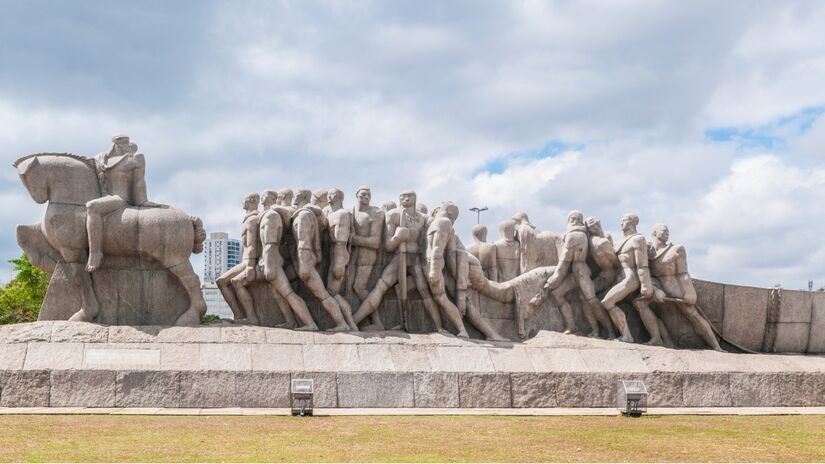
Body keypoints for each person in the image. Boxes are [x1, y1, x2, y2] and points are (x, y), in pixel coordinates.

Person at [351, 190, 444, 332]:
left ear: (415, 198)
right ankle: (354, 321)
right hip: (399, 257)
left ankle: (440, 327)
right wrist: (398, 237)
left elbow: (430, 237)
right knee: (380, 287)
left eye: (409, 196)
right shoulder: (393, 215)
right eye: (403, 197)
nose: (406, 199)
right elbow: (388, 246)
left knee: (424, 290)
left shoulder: (422, 218)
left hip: (416, 259)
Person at [426, 202, 506, 340]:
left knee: (455, 301)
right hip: (448, 267)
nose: (435, 210)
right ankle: (489, 334)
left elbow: (445, 252)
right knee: (461, 304)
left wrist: (460, 289)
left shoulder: (443, 223)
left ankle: (467, 330)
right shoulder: (436, 224)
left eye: (438, 208)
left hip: (456, 268)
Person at [635, 224, 723, 351]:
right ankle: (657, 338)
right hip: (658, 285)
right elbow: (645, 273)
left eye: (668, 231)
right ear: (654, 233)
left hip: (675, 287)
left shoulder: (676, 249)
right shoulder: (648, 252)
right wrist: (655, 289)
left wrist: (690, 293)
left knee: (692, 314)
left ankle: (716, 346)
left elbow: (683, 274)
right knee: (640, 304)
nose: (667, 233)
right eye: (664, 231)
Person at [529, 211, 613, 337]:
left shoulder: (574, 235)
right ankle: (572, 326)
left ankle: (610, 331)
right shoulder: (580, 234)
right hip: (575, 271)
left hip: (581, 271)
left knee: (591, 301)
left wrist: (555, 279)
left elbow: (565, 261)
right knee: (557, 294)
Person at [86, 134, 158, 272]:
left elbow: (139, 182)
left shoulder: (135, 159)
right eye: (122, 144)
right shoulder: (102, 158)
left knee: (92, 207)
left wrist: (142, 202)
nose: (125, 146)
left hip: (120, 199)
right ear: (115, 145)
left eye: (127, 143)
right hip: (105, 197)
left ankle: (95, 253)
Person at [258, 190, 318, 331]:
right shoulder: (275, 214)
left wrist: (268, 265)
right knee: (279, 293)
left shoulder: (272, 216)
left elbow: (271, 243)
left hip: (272, 260)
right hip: (272, 259)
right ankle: (290, 321)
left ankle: (311, 324)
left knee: (289, 294)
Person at [291, 200, 354, 331]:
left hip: (305, 264)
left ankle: (342, 324)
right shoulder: (308, 217)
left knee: (324, 295)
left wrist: (304, 265)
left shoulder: (304, 216)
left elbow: (304, 243)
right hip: (304, 262)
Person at [601, 213, 650, 342]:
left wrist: (645, 285)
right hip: (620, 278)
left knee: (607, 302)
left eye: (625, 220)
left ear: (633, 223)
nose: (621, 223)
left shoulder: (638, 239)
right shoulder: (619, 242)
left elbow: (642, 265)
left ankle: (627, 336)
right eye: (621, 220)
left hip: (630, 278)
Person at [216, 192, 261, 324]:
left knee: (224, 281)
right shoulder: (248, 219)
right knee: (221, 281)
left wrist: (251, 266)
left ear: (252, 200)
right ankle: (238, 315)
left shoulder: (253, 219)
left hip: (250, 261)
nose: (242, 202)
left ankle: (250, 317)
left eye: (245, 200)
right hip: (246, 260)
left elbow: (252, 245)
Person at [349, 186, 387, 330]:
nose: (366, 197)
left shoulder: (375, 213)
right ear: (356, 195)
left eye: (368, 195)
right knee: (353, 287)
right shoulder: (351, 211)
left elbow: (375, 242)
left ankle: (376, 322)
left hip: (367, 254)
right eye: (363, 194)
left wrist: (354, 239)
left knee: (359, 287)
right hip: (354, 254)